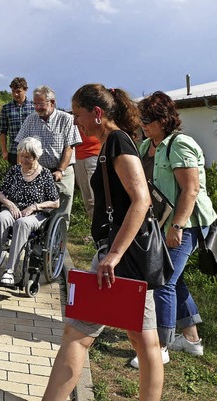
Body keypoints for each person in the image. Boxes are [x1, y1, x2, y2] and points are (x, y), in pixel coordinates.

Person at [43, 84, 163, 401]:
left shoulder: (118, 142)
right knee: (140, 338)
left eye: (78, 115)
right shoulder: (112, 141)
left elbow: (141, 201)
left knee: (82, 333)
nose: (76, 122)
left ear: (97, 113)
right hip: (119, 254)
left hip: (122, 257)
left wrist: (113, 254)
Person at [128, 91, 217, 368]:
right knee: (174, 279)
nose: (143, 124)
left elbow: (190, 190)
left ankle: (160, 347)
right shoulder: (146, 146)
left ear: (164, 120)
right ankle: (192, 341)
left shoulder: (179, 144)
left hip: (187, 223)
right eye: (141, 119)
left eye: (148, 119)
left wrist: (176, 226)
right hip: (163, 223)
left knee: (163, 280)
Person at [0, 137, 59, 285]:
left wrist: (34, 206)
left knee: (22, 223)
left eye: (27, 157)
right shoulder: (15, 170)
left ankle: (10, 271)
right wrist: (10, 204)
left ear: (36, 157)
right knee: (0, 218)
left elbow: (55, 202)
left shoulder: (45, 174)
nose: (23, 159)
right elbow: (0, 193)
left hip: (35, 214)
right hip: (14, 209)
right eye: (21, 156)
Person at [14, 85, 81, 225]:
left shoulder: (66, 119)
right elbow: (21, 146)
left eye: (41, 104)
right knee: (36, 209)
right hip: (37, 171)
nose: (37, 107)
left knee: (61, 210)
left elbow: (69, 148)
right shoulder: (31, 119)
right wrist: (19, 170)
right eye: (35, 104)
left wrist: (60, 170)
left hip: (61, 170)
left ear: (52, 102)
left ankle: (60, 244)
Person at [0, 77, 35, 165]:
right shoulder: (6, 108)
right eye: (13, 91)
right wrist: (4, 151)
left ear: (25, 89)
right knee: (16, 178)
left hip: (32, 151)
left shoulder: (34, 107)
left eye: (18, 91)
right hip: (14, 152)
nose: (15, 94)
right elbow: (2, 131)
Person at [74, 130, 101, 220]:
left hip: (94, 153)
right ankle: (94, 224)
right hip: (78, 156)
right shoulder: (72, 117)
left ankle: (103, 224)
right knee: (87, 196)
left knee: (97, 194)